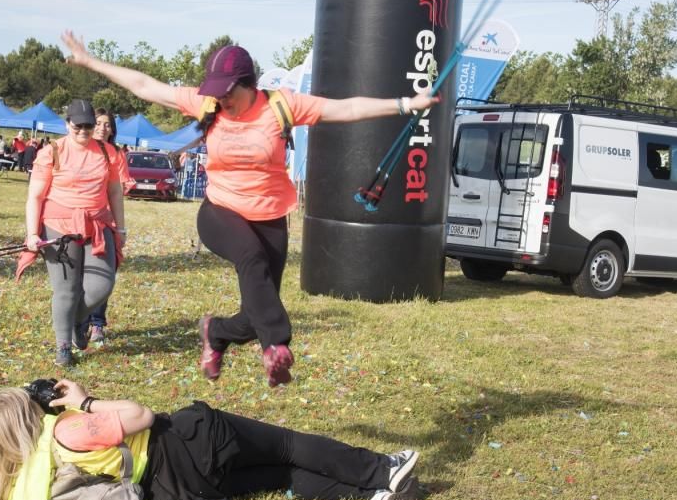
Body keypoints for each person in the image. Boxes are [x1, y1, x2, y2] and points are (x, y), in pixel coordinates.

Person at [61, 31, 440, 386]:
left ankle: (217, 332)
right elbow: (147, 87)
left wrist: (405, 104)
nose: (222, 99)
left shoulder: (281, 106)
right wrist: (92, 62)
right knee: (251, 259)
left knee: (256, 309)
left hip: (270, 215)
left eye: (229, 92)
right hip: (220, 210)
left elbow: (345, 108)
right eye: (217, 92)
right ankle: (276, 346)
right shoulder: (207, 104)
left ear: (248, 85)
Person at [0, 378, 422, 500]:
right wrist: (84, 400)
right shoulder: (65, 431)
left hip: (178, 486)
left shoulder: (30, 475)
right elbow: (141, 415)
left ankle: (372, 498)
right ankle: (382, 471)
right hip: (187, 444)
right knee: (287, 445)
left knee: (280, 476)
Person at [23, 99, 126, 367]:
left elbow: (115, 192)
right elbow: (35, 196)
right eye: (78, 125)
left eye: (88, 126)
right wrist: (32, 234)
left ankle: (79, 320)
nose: (83, 131)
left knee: (102, 286)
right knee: (65, 290)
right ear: (67, 123)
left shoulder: (108, 153)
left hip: (97, 225)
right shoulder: (51, 152)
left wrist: (120, 227)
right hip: (59, 226)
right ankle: (64, 346)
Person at [86, 108, 134, 343]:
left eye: (107, 124)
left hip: (107, 223)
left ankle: (97, 324)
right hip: (82, 221)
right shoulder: (80, 150)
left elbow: (119, 189)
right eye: (98, 123)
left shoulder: (116, 154)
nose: (103, 128)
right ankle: (80, 321)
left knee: (104, 276)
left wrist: (120, 227)